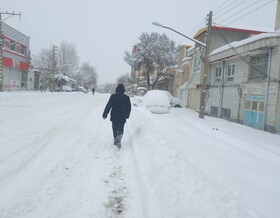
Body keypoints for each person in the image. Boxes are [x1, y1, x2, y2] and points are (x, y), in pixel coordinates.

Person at [102, 84, 131, 149]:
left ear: (116, 89)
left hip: (114, 115)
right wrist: (127, 115)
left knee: (114, 127)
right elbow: (129, 107)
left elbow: (108, 106)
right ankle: (119, 136)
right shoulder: (126, 97)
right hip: (122, 116)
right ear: (124, 90)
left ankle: (115, 138)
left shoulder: (113, 96)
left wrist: (105, 114)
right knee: (121, 127)